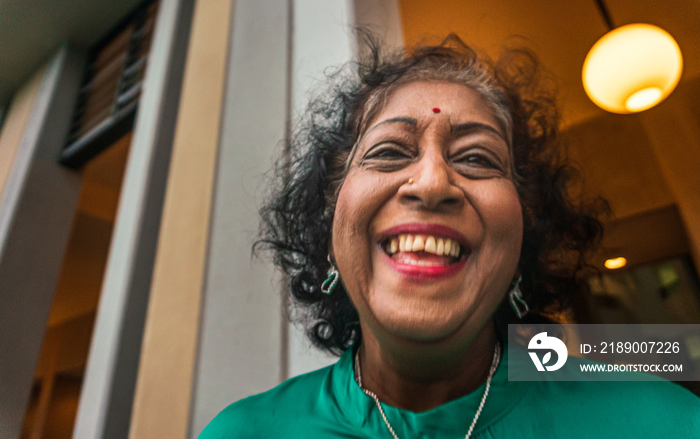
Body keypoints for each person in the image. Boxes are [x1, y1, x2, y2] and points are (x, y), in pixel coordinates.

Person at [199, 35, 700, 438]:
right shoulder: (243, 432)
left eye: (477, 158)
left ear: (525, 236)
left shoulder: (665, 422)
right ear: (330, 223)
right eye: (390, 152)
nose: (433, 183)